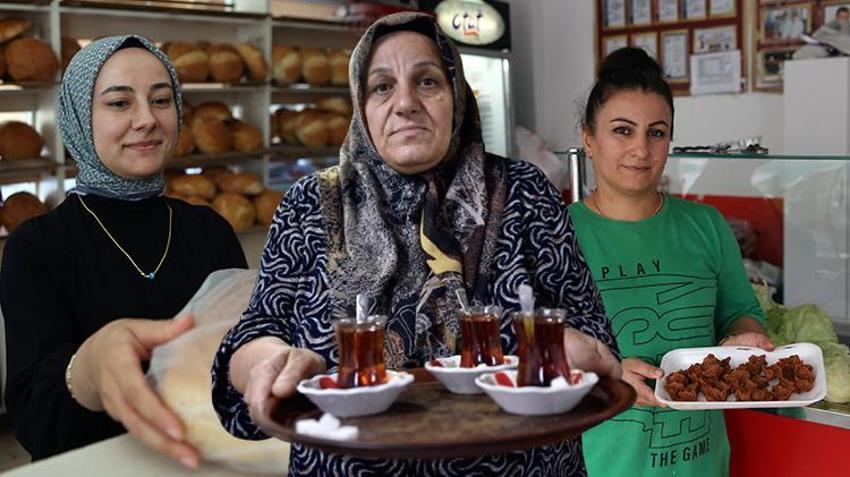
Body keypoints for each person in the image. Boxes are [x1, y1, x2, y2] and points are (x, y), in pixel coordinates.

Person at [212, 12, 621, 477]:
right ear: (361, 104)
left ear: (457, 95)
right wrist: (267, 361)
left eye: (427, 81)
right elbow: (258, 328)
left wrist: (574, 349)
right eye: (382, 87)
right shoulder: (312, 204)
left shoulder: (524, 193)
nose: (405, 103)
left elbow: (596, 336)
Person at [0, 35, 247, 467]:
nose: (147, 119)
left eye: (161, 100)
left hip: (207, 463)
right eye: (119, 103)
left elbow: (239, 364)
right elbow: (34, 418)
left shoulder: (210, 230)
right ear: (79, 117)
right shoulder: (37, 246)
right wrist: (89, 367)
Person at [571, 47, 774, 477]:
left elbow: (741, 313)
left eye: (657, 132)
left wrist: (742, 339)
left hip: (703, 463)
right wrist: (604, 373)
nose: (641, 149)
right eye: (622, 131)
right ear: (588, 138)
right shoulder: (555, 234)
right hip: (597, 465)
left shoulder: (706, 224)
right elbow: (525, 354)